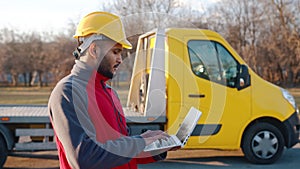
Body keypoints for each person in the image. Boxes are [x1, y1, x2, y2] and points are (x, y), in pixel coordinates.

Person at [48, 11, 170, 169]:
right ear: (94, 50)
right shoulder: (68, 92)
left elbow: (120, 152)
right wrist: (139, 142)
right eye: (115, 52)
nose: (120, 59)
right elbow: (84, 157)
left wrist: (154, 147)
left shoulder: (110, 93)